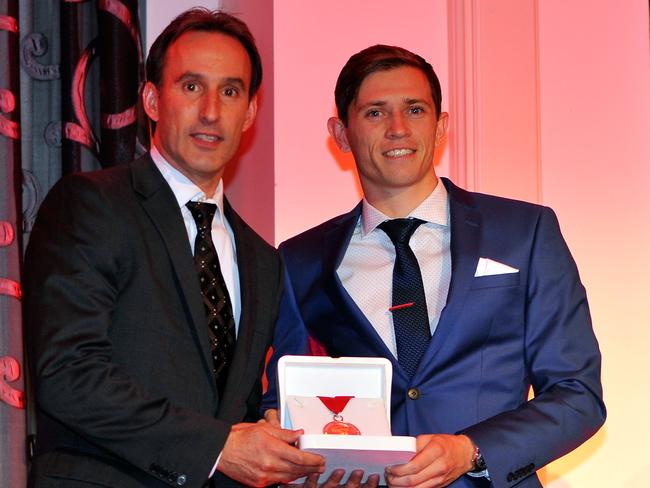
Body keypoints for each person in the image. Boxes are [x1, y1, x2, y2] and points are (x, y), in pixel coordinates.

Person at [265, 45, 606, 487]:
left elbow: (578, 396)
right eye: (374, 113)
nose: (398, 129)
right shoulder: (299, 260)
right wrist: (295, 451)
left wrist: (471, 450)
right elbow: (283, 399)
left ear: (441, 126)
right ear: (341, 134)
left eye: (415, 109)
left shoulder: (526, 232)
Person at [23, 8, 325, 488]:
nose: (211, 111)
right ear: (151, 99)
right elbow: (69, 373)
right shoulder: (92, 204)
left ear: (249, 112)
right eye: (191, 86)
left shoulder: (263, 261)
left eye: (230, 91)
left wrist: (273, 440)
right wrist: (217, 447)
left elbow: (234, 411)